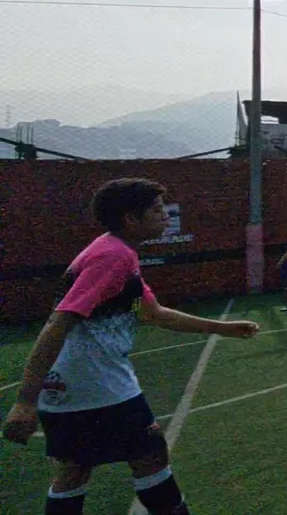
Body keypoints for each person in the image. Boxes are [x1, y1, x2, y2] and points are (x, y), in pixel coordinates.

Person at [2, 178, 260, 515]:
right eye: (156, 210)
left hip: (68, 383)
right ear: (131, 219)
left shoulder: (116, 252)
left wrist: (221, 328)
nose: (166, 216)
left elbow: (153, 314)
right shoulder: (114, 257)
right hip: (97, 381)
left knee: (74, 469)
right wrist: (24, 401)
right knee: (150, 455)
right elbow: (59, 321)